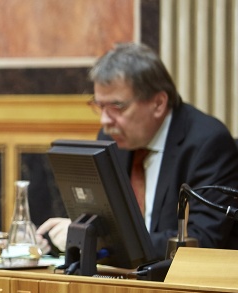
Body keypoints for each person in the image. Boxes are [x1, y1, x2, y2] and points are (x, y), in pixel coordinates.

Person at [37, 42, 238, 259]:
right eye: (100, 106)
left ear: (158, 103)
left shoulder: (206, 143)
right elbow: (102, 221)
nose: (105, 121)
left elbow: (203, 241)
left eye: (117, 106)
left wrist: (99, 240)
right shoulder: (109, 140)